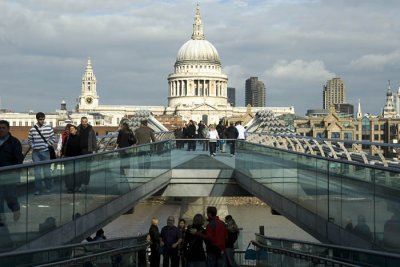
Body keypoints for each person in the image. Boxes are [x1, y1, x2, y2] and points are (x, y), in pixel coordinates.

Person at [0, 120, 23, 222]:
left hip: (10, 174)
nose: (1, 130)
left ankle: (15, 210)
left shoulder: (14, 142)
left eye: (3, 128)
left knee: (10, 196)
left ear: (8, 129)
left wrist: (15, 171)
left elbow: (19, 159)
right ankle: (1, 218)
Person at [28, 112, 55, 195]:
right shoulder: (32, 129)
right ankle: (38, 189)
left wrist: (46, 145)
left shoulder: (49, 128)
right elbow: (29, 140)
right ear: (37, 119)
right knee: (37, 172)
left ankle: (48, 188)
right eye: (40, 119)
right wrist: (33, 146)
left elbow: (53, 139)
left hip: (46, 152)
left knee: (47, 171)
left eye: (43, 119)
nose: (42, 121)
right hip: (36, 153)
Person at [77, 117, 97, 190]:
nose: (84, 123)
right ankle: (80, 184)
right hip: (80, 151)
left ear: (87, 122)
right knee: (81, 169)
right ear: (81, 121)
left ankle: (86, 183)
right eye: (83, 121)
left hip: (88, 151)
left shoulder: (91, 130)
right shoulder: (78, 129)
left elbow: (94, 140)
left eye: (85, 121)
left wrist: (94, 149)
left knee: (87, 169)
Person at [62, 125, 82, 193]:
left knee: (76, 174)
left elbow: (82, 147)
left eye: (73, 129)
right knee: (68, 174)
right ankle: (69, 188)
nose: (71, 130)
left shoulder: (79, 137)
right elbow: (64, 147)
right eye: (70, 129)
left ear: (76, 130)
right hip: (68, 158)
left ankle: (77, 187)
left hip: (77, 158)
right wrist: (63, 154)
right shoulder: (67, 138)